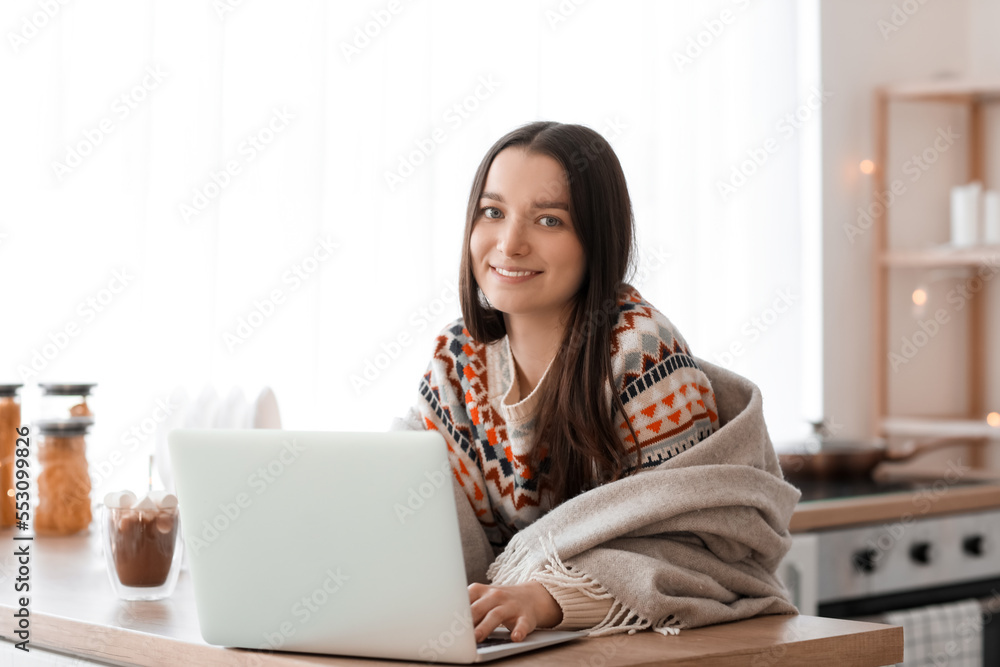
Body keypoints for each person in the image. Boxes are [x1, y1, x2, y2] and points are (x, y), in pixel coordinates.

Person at [395, 121, 799, 644]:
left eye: (548, 220)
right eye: (492, 213)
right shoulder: (456, 359)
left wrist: (544, 598)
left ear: (597, 238)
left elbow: (695, 546)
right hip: (517, 644)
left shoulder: (641, 354)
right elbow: (430, 523)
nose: (510, 243)